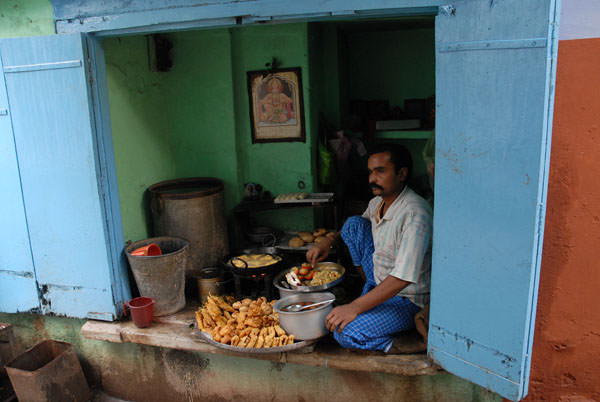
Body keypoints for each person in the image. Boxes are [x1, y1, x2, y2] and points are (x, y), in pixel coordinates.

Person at [306, 143, 433, 352]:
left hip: (406, 298)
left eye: (380, 171)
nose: (372, 179)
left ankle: (407, 344)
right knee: (354, 224)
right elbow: (352, 230)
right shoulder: (377, 203)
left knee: (344, 331)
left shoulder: (415, 214)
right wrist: (328, 241)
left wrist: (354, 307)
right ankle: (370, 295)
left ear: (402, 174)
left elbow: (402, 278)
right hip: (380, 280)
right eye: (370, 172)